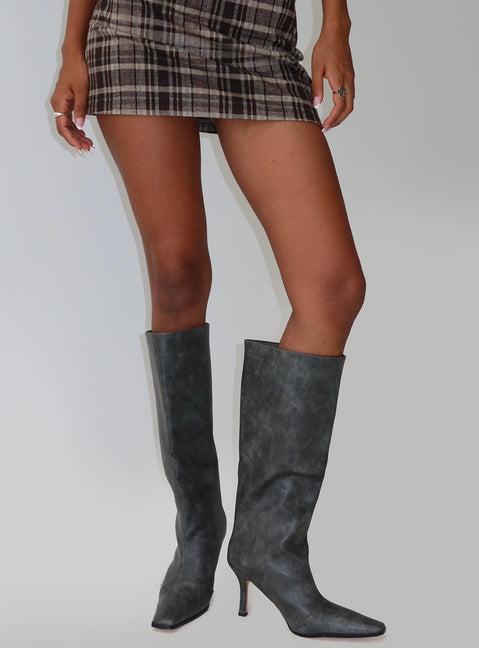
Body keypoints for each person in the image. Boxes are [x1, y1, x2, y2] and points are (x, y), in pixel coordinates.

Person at [50, 0, 386, 638]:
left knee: (333, 288)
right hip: (138, 27)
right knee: (178, 274)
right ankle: (198, 535)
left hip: (257, 31)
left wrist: (337, 24)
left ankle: (268, 547)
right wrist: (72, 46)